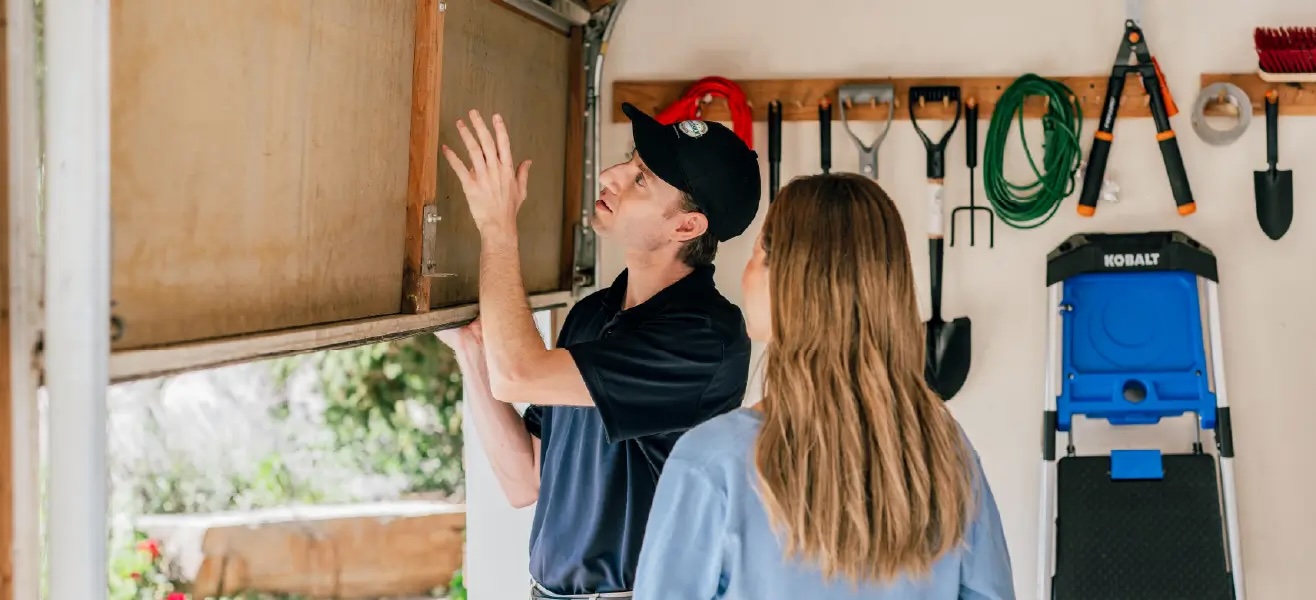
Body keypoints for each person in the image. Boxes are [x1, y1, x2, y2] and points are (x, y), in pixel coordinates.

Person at [631, 173, 1015, 599]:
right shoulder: (945, 452)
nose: (747, 271)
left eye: (759, 252)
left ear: (789, 281)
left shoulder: (711, 464)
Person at [435, 103, 762, 599]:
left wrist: (498, 227)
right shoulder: (592, 316)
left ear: (686, 228)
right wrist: (471, 351)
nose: (611, 176)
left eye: (642, 180)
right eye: (630, 162)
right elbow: (526, 479)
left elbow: (518, 373)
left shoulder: (702, 337)